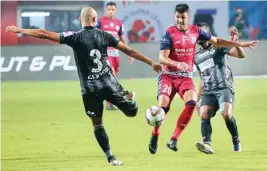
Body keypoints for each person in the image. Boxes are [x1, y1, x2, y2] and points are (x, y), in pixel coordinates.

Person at [6, 7, 162, 166]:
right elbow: (129, 51)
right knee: (132, 111)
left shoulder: (74, 36)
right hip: (109, 84)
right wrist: (151, 63)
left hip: (89, 89)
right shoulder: (105, 35)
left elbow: (44, 34)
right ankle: (129, 99)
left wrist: (21, 30)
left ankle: (111, 158)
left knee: (97, 124)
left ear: (80, 20)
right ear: (95, 20)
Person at [148, 3, 258, 154]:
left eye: (183, 17)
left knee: (212, 110)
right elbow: (165, 59)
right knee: (177, 110)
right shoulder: (190, 50)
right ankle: (161, 136)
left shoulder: (207, 40)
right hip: (185, 81)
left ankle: (233, 139)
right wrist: (179, 66)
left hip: (210, 83)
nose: (180, 20)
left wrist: (239, 43)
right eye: (178, 17)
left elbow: (228, 48)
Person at [195, 23, 245, 154]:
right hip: (208, 92)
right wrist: (198, 99)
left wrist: (235, 43)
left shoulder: (219, 46)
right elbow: (202, 79)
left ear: (208, 34)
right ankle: (207, 144)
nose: (200, 36)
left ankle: (236, 140)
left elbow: (241, 55)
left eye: (203, 33)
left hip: (224, 88)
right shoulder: (196, 58)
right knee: (203, 113)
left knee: (226, 114)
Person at [96, 1, 134, 110]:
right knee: (111, 75)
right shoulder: (100, 22)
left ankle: (105, 97)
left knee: (114, 77)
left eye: (113, 9)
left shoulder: (119, 23)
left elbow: (122, 39)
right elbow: (95, 34)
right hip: (105, 53)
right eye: (109, 9)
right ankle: (110, 102)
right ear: (106, 10)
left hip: (115, 54)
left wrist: (129, 53)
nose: (111, 11)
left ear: (115, 11)